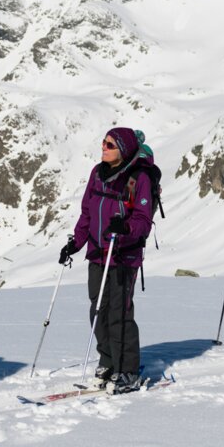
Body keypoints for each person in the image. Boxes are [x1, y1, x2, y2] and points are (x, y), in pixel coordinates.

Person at [59, 127, 153, 393]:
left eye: (110, 144)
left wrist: (125, 229)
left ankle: (128, 371)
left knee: (119, 313)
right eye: (103, 142)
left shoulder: (140, 178)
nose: (104, 147)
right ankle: (109, 361)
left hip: (123, 254)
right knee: (98, 309)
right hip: (98, 252)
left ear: (122, 149)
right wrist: (75, 244)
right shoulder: (98, 173)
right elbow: (87, 212)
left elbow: (143, 220)